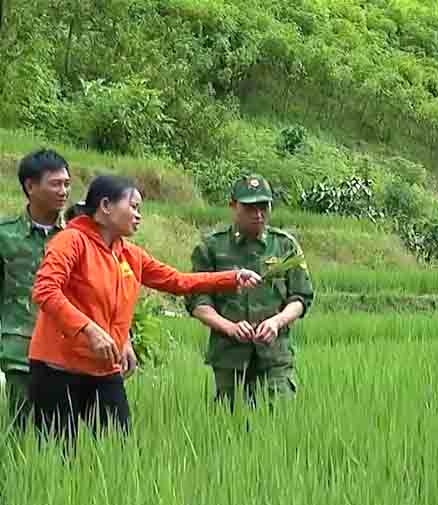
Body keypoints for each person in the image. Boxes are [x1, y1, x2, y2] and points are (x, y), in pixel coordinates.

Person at [27, 175, 262, 440]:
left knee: (117, 450)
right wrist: (89, 330)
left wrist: (232, 277)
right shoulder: (71, 241)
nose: (139, 216)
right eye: (134, 207)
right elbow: (45, 290)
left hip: (104, 368)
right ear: (106, 206)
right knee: (58, 455)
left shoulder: (128, 254)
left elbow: (178, 281)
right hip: (57, 369)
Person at [0, 150, 138, 430]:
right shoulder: (5, 236)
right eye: (55, 184)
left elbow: (111, 290)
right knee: (24, 435)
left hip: (77, 354)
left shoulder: (86, 233)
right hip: (20, 351)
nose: (63, 191)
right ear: (30, 186)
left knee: (82, 440)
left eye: (67, 184)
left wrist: (123, 338)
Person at [186, 174, 314, 409]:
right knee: (230, 427)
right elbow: (197, 302)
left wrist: (276, 322)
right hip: (229, 356)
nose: (258, 214)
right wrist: (229, 327)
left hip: (275, 357)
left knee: (278, 424)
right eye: (250, 208)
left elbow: (301, 297)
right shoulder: (212, 248)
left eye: (264, 207)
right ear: (233, 206)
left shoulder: (285, 245)